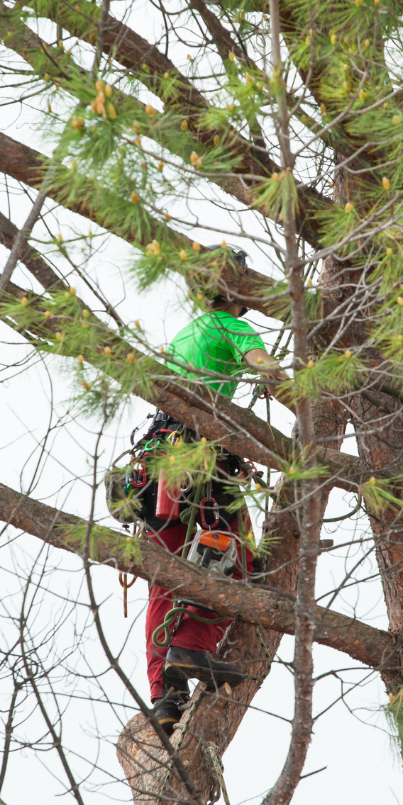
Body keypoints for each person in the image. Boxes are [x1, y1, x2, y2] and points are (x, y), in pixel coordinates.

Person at [144, 281, 289, 730]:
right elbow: (267, 370)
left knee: (165, 575)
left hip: (158, 463)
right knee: (234, 555)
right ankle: (191, 648)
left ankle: (167, 698)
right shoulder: (233, 326)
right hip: (204, 461)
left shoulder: (190, 331)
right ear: (239, 292)